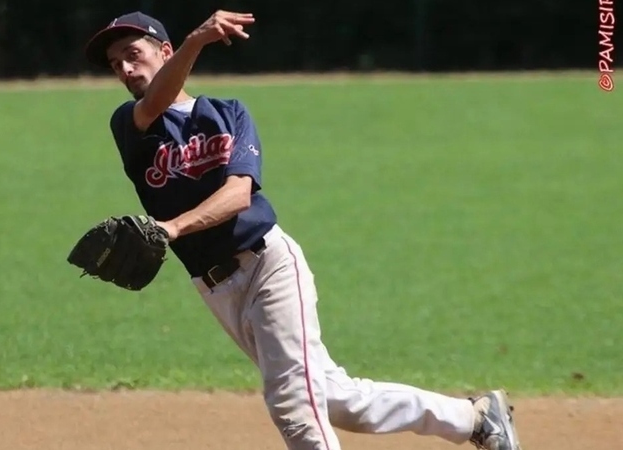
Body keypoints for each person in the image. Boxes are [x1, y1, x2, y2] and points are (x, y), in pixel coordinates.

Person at [82, 10, 523, 450]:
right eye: (115, 63)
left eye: (132, 54)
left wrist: (173, 227)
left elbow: (239, 195)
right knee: (336, 398)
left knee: (294, 406)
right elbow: (155, 103)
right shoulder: (130, 125)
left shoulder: (227, 113)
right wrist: (195, 42)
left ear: (165, 51)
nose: (124, 68)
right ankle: (475, 419)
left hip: (268, 266)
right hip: (216, 289)